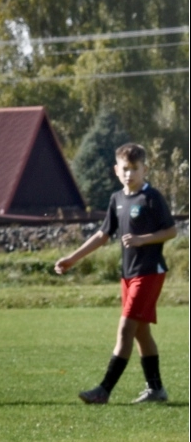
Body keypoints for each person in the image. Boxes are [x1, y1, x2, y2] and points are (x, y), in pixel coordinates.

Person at [55, 142, 178, 404]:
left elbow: (171, 231)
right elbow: (102, 235)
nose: (129, 173)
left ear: (145, 169)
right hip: (128, 274)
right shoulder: (117, 199)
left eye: (135, 168)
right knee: (141, 332)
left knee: (125, 330)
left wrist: (143, 239)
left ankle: (103, 390)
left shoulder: (151, 197)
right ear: (116, 170)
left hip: (149, 272)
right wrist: (72, 259)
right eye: (125, 168)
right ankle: (156, 390)